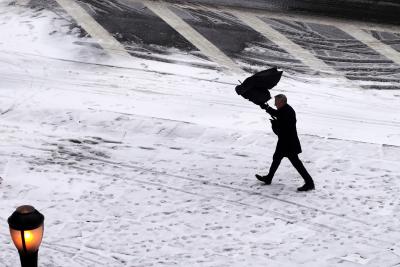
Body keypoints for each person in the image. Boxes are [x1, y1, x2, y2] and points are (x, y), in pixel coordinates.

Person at [256, 94, 315, 192]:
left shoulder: (288, 111)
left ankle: (309, 183)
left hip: (289, 143)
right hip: (284, 142)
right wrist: (266, 107)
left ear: (282, 102)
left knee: (296, 163)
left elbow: (284, 125)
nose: (275, 104)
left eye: (276, 102)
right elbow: (277, 114)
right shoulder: (284, 109)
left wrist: (276, 124)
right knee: (276, 159)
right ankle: (269, 178)